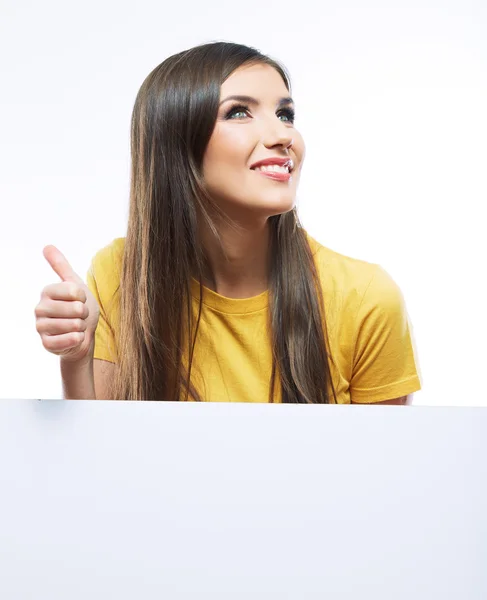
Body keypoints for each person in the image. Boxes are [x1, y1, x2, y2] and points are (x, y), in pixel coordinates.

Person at [34, 41, 421, 404]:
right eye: (240, 112)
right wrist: (75, 358)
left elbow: (381, 470)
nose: (282, 134)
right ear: (177, 144)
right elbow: (100, 462)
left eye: (285, 113)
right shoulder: (120, 273)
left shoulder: (366, 299)